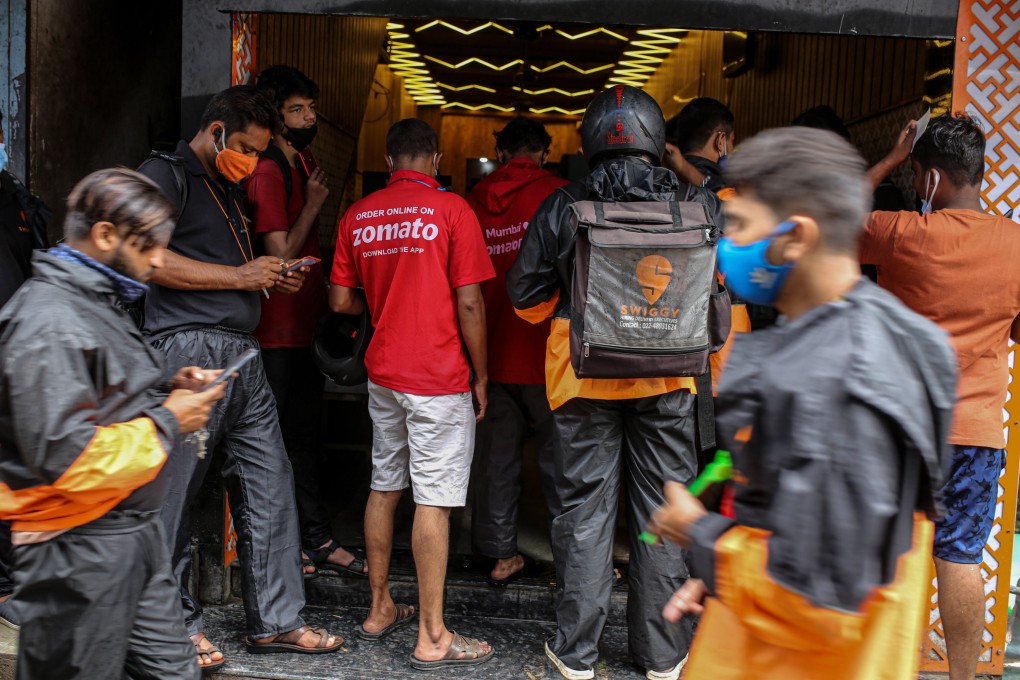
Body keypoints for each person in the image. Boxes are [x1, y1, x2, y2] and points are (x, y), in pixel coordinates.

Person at [649, 126, 957, 679]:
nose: (727, 245)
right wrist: (722, 565)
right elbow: (818, 523)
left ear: (795, 237)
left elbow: (820, 600)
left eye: (740, 227)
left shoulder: (836, 379)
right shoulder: (901, 338)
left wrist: (698, 533)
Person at [508, 85, 721, 680]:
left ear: (590, 138)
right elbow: (716, 298)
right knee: (663, 516)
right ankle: (663, 658)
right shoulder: (694, 203)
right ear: (657, 137)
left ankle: (575, 658)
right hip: (670, 381)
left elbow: (524, 300)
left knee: (583, 517)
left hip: (582, 383)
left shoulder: (562, 204)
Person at [139, 85, 342, 670]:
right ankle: (171, 629)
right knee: (171, 499)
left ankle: (277, 621)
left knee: (269, 485)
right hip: (185, 354)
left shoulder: (226, 190)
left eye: (260, 152)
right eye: (248, 149)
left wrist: (266, 278)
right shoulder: (165, 173)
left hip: (241, 356)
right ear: (217, 131)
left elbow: (232, 271)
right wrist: (240, 278)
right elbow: (149, 260)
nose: (253, 163)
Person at [0, 168, 229, 679]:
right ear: (105, 236)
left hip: (131, 536)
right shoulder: (46, 320)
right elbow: (66, 458)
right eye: (147, 247)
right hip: (73, 551)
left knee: (172, 672)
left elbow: (103, 393)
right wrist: (170, 421)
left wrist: (169, 385)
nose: (156, 261)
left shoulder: (95, 300)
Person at [329, 118, 496, 670]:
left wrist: (386, 298)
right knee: (435, 501)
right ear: (437, 159)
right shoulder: (452, 211)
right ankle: (432, 636)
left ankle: (380, 608)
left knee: (385, 484)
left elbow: (340, 302)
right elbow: (470, 302)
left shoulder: (360, 214)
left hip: (384, 374)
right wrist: (481, 373)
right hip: (438, 375)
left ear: (388, 157)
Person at [862, 112, 1020, 680]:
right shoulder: (1017, 245)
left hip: (898, 430)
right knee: (960, 557)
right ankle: (961, 678)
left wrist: (890, 158)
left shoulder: (902, 234)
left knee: (883, 552)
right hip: (974, 435)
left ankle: (876, 668)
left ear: (929, 179)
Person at [248, 65, 366, 580]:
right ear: (275, 116)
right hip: (273, 330)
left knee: (304, 438)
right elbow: (279, 255)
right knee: (274, 444)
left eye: (310, 109)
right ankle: (287, 546)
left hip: (302, 326)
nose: (309, 118)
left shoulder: (306, 159)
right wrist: (316, 203)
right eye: (298, 110)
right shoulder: (270, 169)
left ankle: (315, 538)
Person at [465, 116, 567, 586]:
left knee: (495, 459)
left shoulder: (472, 202)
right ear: (544, 153)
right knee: (563, 460)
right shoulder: (563, 195)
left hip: (488, 350)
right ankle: (575, 557)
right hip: (550, 352)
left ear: (501, 153)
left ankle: (500, 553)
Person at [665, 97, 734, 192]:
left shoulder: (660, 177)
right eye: (732, 141)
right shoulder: (726, 188)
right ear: (720, 141)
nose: (732, 148)